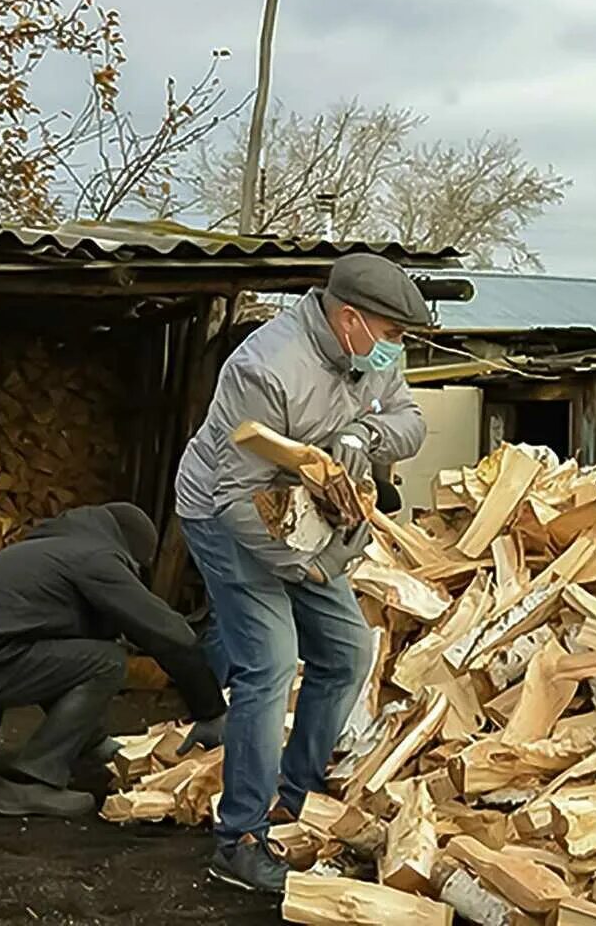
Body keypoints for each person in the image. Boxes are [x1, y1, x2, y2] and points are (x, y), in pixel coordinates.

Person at [174, 252, 430, 892]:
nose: (395, 351)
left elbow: (412, 420)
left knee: (346, 652)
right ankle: (239, 837)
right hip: (225, 511)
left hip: (306, 512)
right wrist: (306, 567)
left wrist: (364, 437)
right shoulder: (266, 369)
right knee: (271, 660)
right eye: (392, 336)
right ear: (351, 320)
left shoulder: (375, 352)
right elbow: (237, 496)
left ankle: (298, 796)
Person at [0, 503, 225, 819]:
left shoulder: (44, 550)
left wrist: (94, 742)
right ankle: (31, 781)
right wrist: (209, 710)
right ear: (132, 553)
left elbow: (49, 664)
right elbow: (171, 635)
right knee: (108, 661)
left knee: (1, 641)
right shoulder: (97, 558)